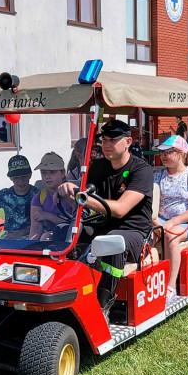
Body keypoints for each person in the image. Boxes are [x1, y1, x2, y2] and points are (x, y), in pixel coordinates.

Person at [58, 119, 153, 315]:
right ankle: (64, 293)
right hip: (103, 226)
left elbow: (120, 209)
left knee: (112, 242)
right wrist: (65, 192)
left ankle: (102, 306)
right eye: (104, 140)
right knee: (64, 233)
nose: (106, 144)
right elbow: (83, 201)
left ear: (128, 142)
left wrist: (80, 196)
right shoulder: (99, 166)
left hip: (136, 234)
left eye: (112, 140)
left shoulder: (142, 170)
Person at [153, 135, 188, 301]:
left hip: (184, 222)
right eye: (162, 153)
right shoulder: (158, 175)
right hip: (159, 220)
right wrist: (155, 223)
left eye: (169, 152)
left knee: (171, 237)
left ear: (181, 153)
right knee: (144, 235)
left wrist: (172, 222)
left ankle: (170, 286)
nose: (164, 156)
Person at [29, 152, 73, 241]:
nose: (47, 177)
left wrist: (49, 216)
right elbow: (35, 229)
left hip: (70, 239)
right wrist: (30, 247)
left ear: (62, 173)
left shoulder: (71, 194)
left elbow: (75, 224)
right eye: (43, 173)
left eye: (52, 172)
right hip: (46, 238)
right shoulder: (39, 198)